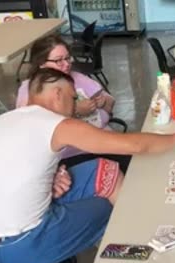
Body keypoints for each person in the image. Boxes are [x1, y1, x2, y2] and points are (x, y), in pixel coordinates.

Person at [0, 68, 175, 263]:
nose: (74, 105)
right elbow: (133, 146)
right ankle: (132, 258)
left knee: (102, 168)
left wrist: (49, 182)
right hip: (24, 247)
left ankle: (130, 239)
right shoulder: (57, 124)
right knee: (108, 203)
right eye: (73, 97)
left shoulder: (0, 121)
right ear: (57, 94)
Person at [16, 34, 132, 173]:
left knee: (137, 163)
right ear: (41, 64)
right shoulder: (31, 89)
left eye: (67, 58)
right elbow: (35, 129)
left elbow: (110, 101)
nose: (66, 64)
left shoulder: (77, 77)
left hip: (103, 140)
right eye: (59, 61)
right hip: (74, 154)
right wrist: (75, 111)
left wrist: (103, 103)